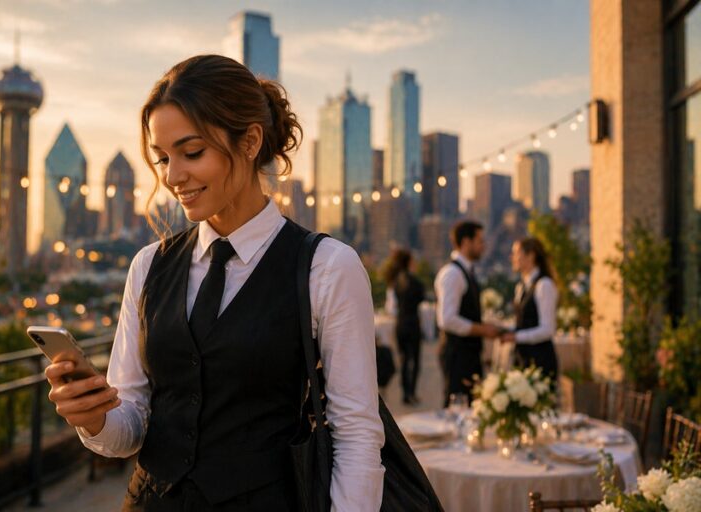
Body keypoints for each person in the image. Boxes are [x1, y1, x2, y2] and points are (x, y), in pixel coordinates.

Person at [43, 55, 384, 511]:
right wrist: (95, 419)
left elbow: (357, 435)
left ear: (250, 142)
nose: (172, 176)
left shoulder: (327, 267)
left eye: (192, 152)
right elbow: (129, 430)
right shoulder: (148, 266)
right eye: (163, 158)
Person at [434, 220, 501, 407]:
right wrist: (482, 330)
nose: (484, 245)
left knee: (471, 404)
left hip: (468, 353)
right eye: (480, 240)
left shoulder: (466, 271)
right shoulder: (452, 274)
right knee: (457, 404)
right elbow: (447, 319)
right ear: (466, 242)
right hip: (457, 354)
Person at [501, 237, 559, 382]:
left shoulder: (544, 285)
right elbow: (523, 322)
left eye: (516, 253)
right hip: (522, 359)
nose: (512, 257)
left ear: (531, 255)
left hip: (540, 360)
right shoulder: (521, 286)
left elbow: (547, 329)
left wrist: (516, 337)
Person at [383, 248, 425, 405]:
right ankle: (412, 392)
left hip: (400, 324)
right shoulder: (416, 283)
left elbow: (391, 307)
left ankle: (405, 392)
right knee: (415, 360)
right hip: (413, 323)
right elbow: (421, 300)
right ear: (408, 262)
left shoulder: (394, 282)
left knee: (404, 359)